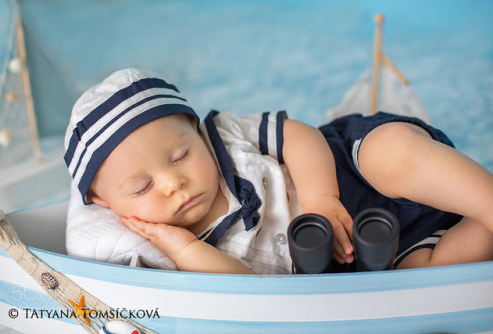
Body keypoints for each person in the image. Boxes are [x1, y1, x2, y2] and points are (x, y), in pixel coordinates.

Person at [64, 68, 493, 274]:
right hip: (379, 255)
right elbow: (244, 290)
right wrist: (181, 247)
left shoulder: (224, 137)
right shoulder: (182, 247)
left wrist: (323, 197)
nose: (174, 182)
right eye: (142, 187)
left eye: (180, 156)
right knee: (431, 273)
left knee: (393, 154)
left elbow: (301, 135)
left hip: (352, 171)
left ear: (195, 130)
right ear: (104, 203)